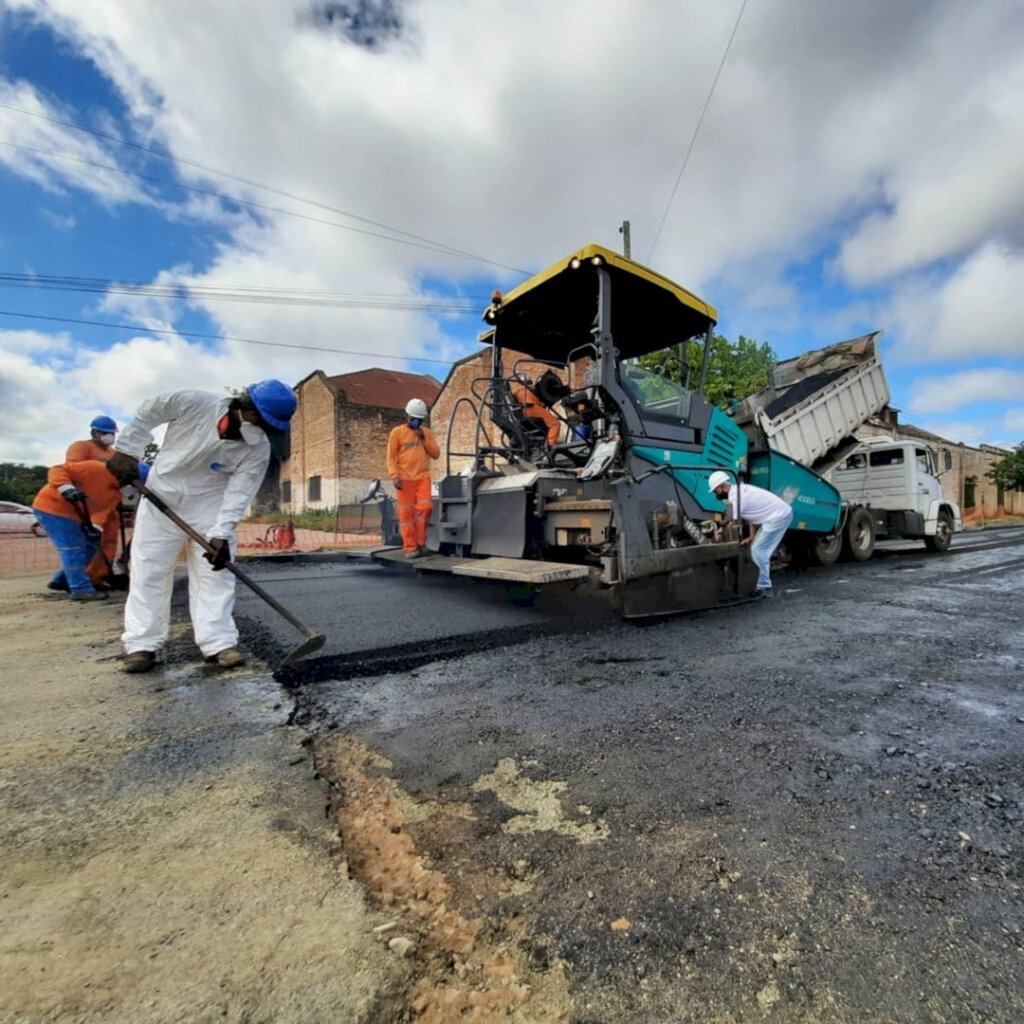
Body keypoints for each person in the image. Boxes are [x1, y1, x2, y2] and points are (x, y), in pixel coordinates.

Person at [106, 380, 297, 673]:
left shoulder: (257, 449)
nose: (261, 430)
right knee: (150, 571)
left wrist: (222, 533)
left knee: (216, 575)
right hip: (162, 497)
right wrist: (127, 450)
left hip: (210, 506)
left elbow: (239, 493)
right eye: (262, 421)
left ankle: (218, 642)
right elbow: (148, 412)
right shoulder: (192, 402)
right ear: (248, 408)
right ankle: (142, 644)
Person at [32, 459, 124, 602]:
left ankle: (61, 580)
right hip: (53, 509)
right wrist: (66, 488)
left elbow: (103, 512)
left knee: (90, 548)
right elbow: (57, 469)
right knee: (73, 548)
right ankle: (81, 590)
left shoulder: (116, 493)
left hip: (77, 515)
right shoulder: (94, 467)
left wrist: (95, 529)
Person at [709, 470, 794, 597]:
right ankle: (761, 583)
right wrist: (752, 536)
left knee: (758, 551)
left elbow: (732, 522)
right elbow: (750, 515)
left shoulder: (736, 497)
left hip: (778, 517)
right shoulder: (738, 490)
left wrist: (720, 531)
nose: (716, 494)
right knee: (756, 548)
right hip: (776, 515)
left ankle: (764, 587)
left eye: (716, 491)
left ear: (724, 486)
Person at [386, 398, 439, 559]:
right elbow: (391, 457)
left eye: (418, 420)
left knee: (424, 509)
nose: (415, 422)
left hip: (422, 478)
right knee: (406, 515)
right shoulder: (397, 432)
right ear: (407, 416)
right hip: (404, 479)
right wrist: (394, 475)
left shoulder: (426, 433)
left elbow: (435, 454)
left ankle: (421, 544)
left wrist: (423, 438)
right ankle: (410, 548)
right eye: (412, 419)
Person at [510, 375, 561, 447]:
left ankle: (547, 441)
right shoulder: (531, 388)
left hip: (524, 412)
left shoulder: (517, 391)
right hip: (532, 409)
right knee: (555, 423)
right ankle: (551, 443)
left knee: (550, 419)